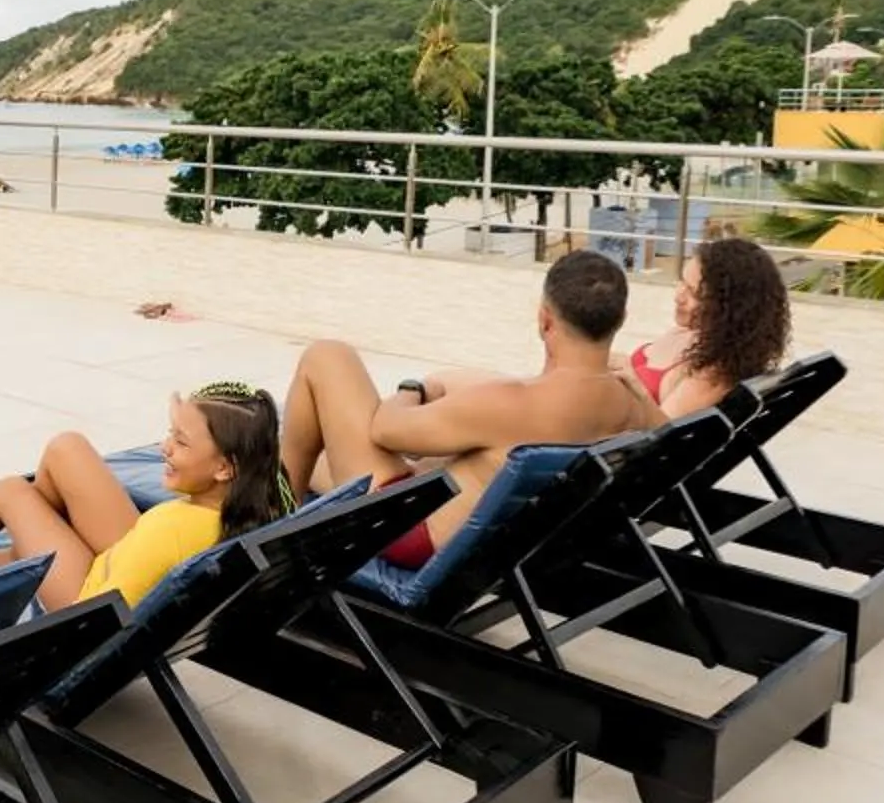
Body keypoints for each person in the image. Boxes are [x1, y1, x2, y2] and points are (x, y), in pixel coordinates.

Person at [280, 249, 654, 569]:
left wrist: (416, 389)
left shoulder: (513, 402)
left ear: (544, 320)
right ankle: (273, 504)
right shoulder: (628, 405)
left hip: (405, 529)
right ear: (619, 320)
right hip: (485, 539)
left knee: (327, 356)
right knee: (317, 450)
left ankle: (270, 526)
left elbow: (385, 429)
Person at [0, 381, 286, 611]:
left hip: (85, 596)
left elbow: (102, 616)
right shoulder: (257, 502)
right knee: (66, 448)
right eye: (169, 432)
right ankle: (26, 544)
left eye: (181, 442)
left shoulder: (170, 528)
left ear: (225, 467)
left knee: (12, 492)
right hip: (131, 556)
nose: (165, 447)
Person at [624, 233, 792, 418]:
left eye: (694, 293)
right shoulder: (693, 333)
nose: (678, 297)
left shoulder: (715, 373)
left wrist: (632, 383)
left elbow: (663, 435)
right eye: (682, 282)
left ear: (727, 308)